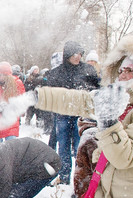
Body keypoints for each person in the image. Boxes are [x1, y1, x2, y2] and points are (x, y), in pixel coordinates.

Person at [16, 34, 133, 198]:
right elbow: (79, 100)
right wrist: (38, 97)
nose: (123, 75)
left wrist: (108, 122)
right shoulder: (121, 98)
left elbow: (125, 157)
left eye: (130, 70)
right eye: (121, 69)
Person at [44, 41, 100, 185]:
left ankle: (80, 179)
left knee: (79, 149)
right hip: (62, 115)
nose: (78, 57)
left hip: (79, 116)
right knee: (63, 147)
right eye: (75, 54)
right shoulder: (58, 72)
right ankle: (64, 178)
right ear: (67, 54)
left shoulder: (87, 70)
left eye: (80, 54)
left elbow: (97, 88)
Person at [0, 61, 25, 145]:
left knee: (10, 149)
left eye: (4, 75)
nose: (1, 77)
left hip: (10, 121)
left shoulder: (17, 84)